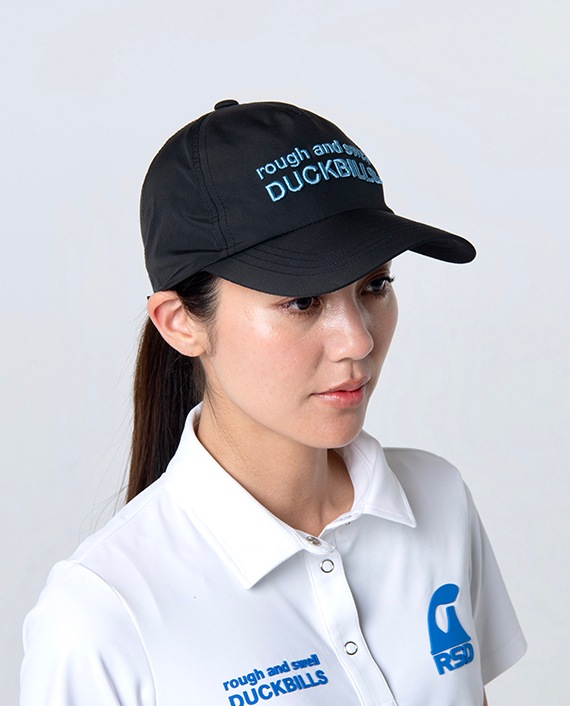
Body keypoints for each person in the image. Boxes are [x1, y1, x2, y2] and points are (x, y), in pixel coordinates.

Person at [20, 99, 526, 706]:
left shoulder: (438, 500)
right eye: (302, 301)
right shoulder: (102, 615)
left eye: (375, 285)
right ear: (181, 322)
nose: (358, 340)